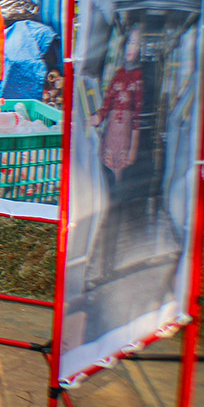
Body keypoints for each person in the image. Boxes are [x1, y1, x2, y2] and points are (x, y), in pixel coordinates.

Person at [87, 24, 145, 277]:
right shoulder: (119, 74)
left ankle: (109, 260)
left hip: (124, 140)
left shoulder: (139, 78)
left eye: (137, 44)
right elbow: (107, 104)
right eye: (130, 43)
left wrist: (133, 149)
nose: (132, 49)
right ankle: (97, 250)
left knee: (116, 198)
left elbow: (138, 118)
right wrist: (96, 117)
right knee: (103, 192)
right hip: (109, 136)